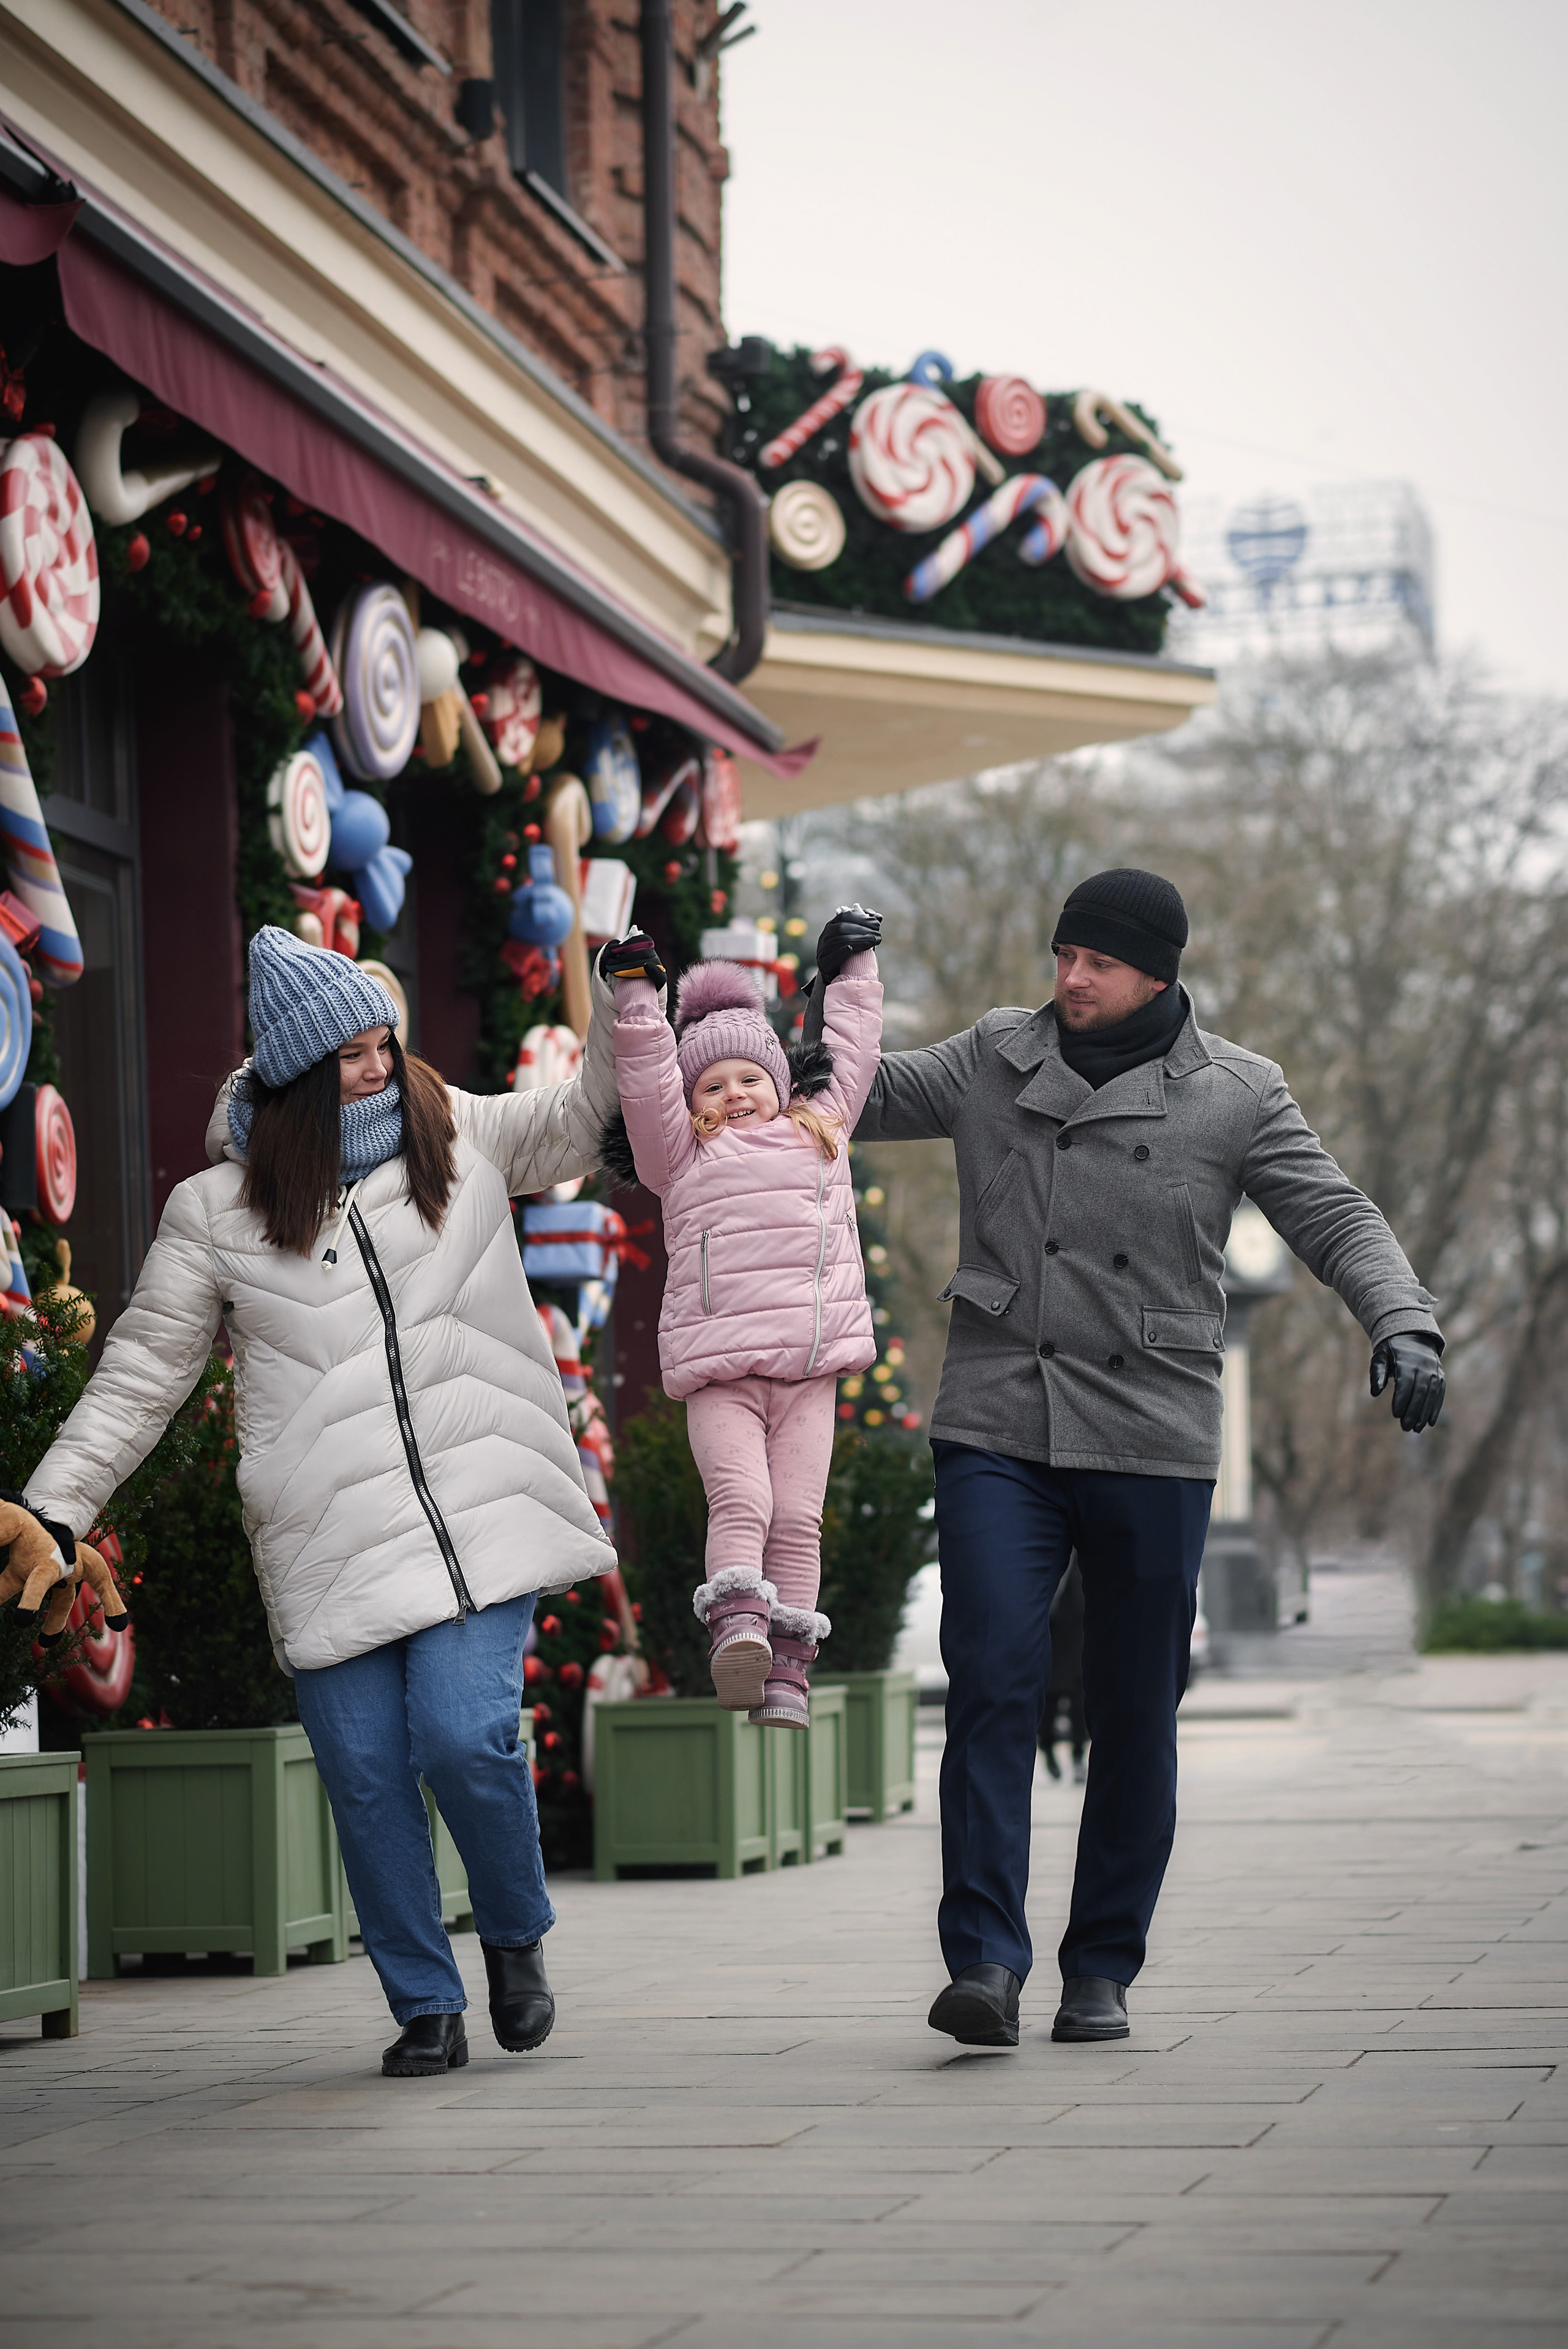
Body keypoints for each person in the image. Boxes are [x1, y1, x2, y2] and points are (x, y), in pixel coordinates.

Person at [21, 926, 633, 2078]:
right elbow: (143, 1371)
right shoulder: (217, 1212)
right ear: (297, 1073)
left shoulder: (460, 1130)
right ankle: (424, 2003)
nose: (378, 1061)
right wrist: (52, 1506)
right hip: (327, 1537)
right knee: (360, 1773)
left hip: (478, 1509)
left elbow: (584, 1113)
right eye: (352, 1048)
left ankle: (513, 1931)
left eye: (382, 1040)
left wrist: (625, 998)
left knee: (464, 1734)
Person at [854, 868, 1446, 2048]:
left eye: (1098, 961)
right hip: (998, 1415)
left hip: (1151, 1428)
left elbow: (1336, 1215)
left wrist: (1405, 1321)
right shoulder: (993, 1054)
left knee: (1135, 1706)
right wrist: (694, 1049)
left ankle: (1101, 1965)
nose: (1070, 977)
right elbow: (848, 1091)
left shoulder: (1237, 1092)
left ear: (1158, 975)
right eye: (1063, 952)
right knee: (991, 1677)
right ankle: (982, 1956)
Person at [602, 908, 882, 1725]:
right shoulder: (679, 1156)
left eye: (750, 1080)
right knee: (743, 1501)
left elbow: (855, 1051)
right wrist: (638, 1000)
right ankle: (737, 1634)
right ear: (694, 1102)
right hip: (723, 1373)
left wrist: (852, 972)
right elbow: (649, 1086)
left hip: (807, 1369)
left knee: (797, 1517)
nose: (734, 1097)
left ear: (781, 1083)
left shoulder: (819, 1130)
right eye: (713, 1087)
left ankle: (788, 1673)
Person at [1038, 1558, 1087, 1784]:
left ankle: (1078, 1757)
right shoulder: (1051, 1561)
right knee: (1050, 1703)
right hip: (1053, 1642)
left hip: (1077, 1641)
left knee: (1079, 1705)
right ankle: (1048, 1751)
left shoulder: (1081, 1563)